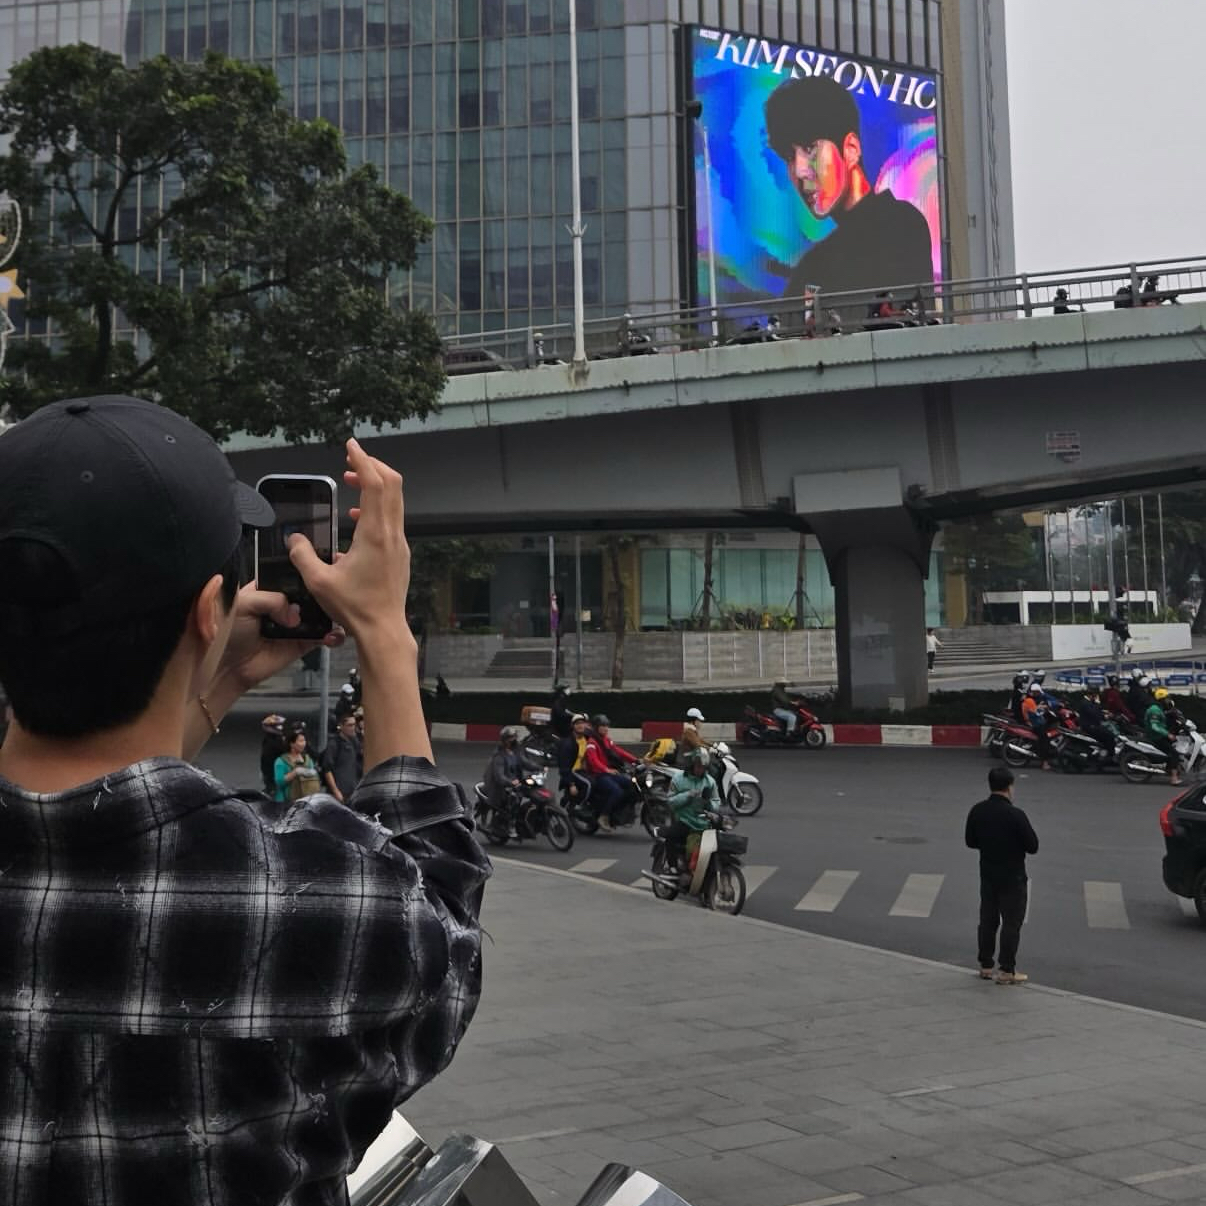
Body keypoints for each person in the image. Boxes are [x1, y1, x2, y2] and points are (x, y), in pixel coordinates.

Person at [0, 396, 489, 1203]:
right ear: (208, 611)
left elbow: (93, 796)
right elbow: (444, 929)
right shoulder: (321, 902)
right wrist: (384, 635)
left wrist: (215, 674)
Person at [765, 76, 934, 304]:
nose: (800, 170)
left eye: (809, 148)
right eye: (789, 157)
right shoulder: (814, 265)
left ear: (851, 149)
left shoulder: (899, 225)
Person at [965, 766, 1039, 985]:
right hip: (1013, 876)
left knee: (987, 920)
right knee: (1011, 923)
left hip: (987, 873)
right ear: (1009, 787)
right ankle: (1007, 970)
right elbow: (1032, 846)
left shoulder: (977, 810)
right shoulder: (1016, 815)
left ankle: (985, 965)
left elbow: (970, 841)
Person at [662, 751, 717, 880]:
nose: (700, 770)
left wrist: (710, 805)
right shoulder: (679, 779)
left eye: (703, 767)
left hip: (704, 822)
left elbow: (716, 802)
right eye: (698, 766)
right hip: (684, 820)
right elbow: (670, 801)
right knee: (671, 836)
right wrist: (688, 795)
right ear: (692, 765)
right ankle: (672, 867)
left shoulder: (710, 782)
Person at [583, 714, 638, 833]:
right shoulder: (592, 742)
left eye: (607, 726)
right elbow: (593, 761)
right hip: (598, 775)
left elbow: (619, 751)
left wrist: (635, 760)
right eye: (603, 726)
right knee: (616, 791)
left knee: (631, 784)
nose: (606, 728)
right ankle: (604, 816)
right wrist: (606, 769)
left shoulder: (606, 740)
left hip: (609, 772)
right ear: (596, 727)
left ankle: (619, 811)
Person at [484, 725, 523, 835]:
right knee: (514, 799)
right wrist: (510, 782)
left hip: (514, 783)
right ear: (505, 740)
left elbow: (525, 762)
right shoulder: (499, 755)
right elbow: (499, 776)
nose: (513, 740)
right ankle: (510, 824)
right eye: (510, 737)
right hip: (499, 786)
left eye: (514, 737)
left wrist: (539, 767)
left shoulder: (515, 752)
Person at [321, 711, 364, 803]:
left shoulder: (355, 742)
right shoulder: (334, 744)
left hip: (353, 791)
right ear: (341, 726)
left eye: (354, 725)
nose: (353, 728)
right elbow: (327, 770)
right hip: (340, 792)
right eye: (350, 725)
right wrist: (335, 791)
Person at [1144, 689, 1183, 785]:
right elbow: (1155, 726)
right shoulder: (1155, 710)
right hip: (1156, 737)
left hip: (1160, 735)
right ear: (1161, 699)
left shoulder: (1160, 708)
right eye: (1166, 699)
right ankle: (1174, 778)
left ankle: (1171, 768)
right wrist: (1168, 734)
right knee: (1174, 753)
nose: (1168, 700)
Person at [275, 727, 321, 801]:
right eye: (301, 741)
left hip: (306, 801)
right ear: (291, 744)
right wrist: (295, 772)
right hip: (286, 802)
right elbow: (279, 782)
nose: (304, 743)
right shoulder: (281, 761)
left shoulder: (308, 759)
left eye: (304, 740)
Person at [557, 712, 591, 802]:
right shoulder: (568, 744)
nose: (580, 726)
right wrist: (571, 784)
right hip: (573, 772)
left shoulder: (587, 738)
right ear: (573, 726)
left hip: (585, 771)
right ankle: (576, 805)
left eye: (582, 723)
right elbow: (564, 767)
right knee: (589, 785)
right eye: (577, 723)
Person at [1020, 683, 1053, 771]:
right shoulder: (1029, 701)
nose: (1037, 694)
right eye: (1036, 692)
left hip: (1036, 722)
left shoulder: (1034, 699)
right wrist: (1043, 707)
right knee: (1045, 740)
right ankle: (1044, 762)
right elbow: (1036, 711)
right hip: (1034, 724)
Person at [1076, 684, 1116, 751]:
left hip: (1093, 725)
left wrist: (1105, 714)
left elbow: (1097, 711)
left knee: (1108, 733)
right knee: (1110, 736)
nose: (1096, 697)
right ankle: (1109, 755)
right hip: (1090, 726)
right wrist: (1098, 704)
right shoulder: (1085, 703)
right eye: (1096, 695)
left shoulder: (1088, 702)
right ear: (1092, 694)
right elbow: (1094, 714)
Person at [259, 712, 287, 793]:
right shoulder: (273, 741)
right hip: (272, 772)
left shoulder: (274, 739)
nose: (281, 728)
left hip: (273, 771)